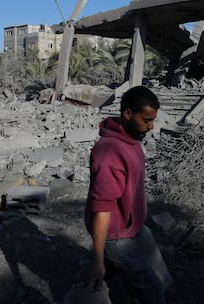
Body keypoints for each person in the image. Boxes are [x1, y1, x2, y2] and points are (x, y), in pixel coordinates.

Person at [85, 85, 172, 304]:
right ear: (127, 114)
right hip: (117, 236)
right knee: (151, 289)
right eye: (146, 120)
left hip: (132, 227)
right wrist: (97, 260)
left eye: (153, 120)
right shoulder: (109, 153)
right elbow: (102, 208)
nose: (151, 126)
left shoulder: (130, 139)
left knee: (158, 273)